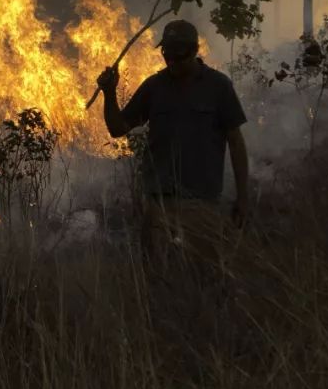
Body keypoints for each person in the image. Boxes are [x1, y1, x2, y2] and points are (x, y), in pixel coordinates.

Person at [97, 19, 250, 266]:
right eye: (167, 54)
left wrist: (243, 197)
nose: (172, 61)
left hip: (201, 200)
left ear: (194, 51)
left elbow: (236, 142)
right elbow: (118, 129)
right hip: (159, 200)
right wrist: (109, 93)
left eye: (178, 55)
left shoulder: (218, 87)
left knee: (205, 272)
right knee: (156, 273)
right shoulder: (154, 87)